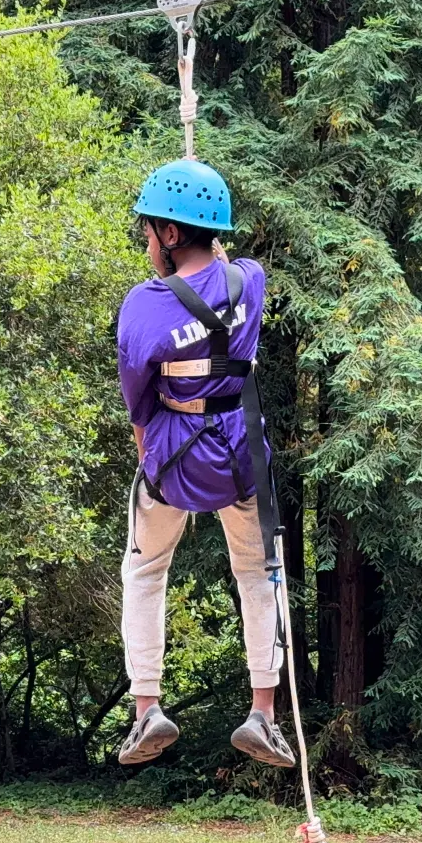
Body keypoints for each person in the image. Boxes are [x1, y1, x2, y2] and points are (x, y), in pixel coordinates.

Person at [115, 158, 295, 768]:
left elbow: (138, 398)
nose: (146, 242)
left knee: (145, 571)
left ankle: (147, 708)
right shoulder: (252, 280)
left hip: (175, 459)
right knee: (257, 571)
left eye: (149, 231)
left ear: (169, 235)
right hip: (240, 454)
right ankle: (263, 713)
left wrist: (150, 458)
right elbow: (227, 270)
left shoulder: (145, 305)